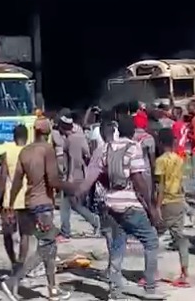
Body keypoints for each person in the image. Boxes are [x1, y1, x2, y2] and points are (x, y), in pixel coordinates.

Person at [66, 116, 165, 300]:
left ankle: (115, 290)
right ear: (133, 131)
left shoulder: (107, 148)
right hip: (130, 205)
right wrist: (150, 206)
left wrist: (79, 193)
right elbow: (138, 180)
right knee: (151, 241)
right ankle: (150, 288)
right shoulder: (134, 147)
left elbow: (95, 176)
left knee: (118, 245)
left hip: (111, 204)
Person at [1, 119, 69, 301]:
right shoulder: (47, 150)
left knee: (50, 247)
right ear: (47, 134)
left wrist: (10, 204)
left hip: (29, 203)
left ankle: (52, 289)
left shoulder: (25, 151)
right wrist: (70, 187)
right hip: (43, 205)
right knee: (46, 247)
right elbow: (53, 180)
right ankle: (13, 281)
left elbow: (16, 181)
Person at [0, 125, 33, 272]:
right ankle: (21, 265)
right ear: (26, 137)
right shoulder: (30, 152)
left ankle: (13, 262)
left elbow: (3, 178)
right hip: (26, 199)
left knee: (7, 234)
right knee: (25, 234)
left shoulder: (7, 153)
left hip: (9, 201)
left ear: (13, 137)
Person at [154, 128, 190, 286]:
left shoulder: (160, 161)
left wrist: (156, 206)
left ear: (160, 142)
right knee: (179, 237)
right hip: (178, 200)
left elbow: (160, 186)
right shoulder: (180, 159)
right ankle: (185, 272)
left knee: (153, 237)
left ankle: (152, 271)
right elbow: (181, 182)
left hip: (166, 202)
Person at [59, 116, 100, 239]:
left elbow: (72, 159)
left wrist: (70, 176)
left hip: (72, 176)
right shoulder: (80, 137)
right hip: (81, 175)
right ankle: (67, 229)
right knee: (71, 204)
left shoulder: (70, 140)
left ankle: (92, 221)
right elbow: (87, 154)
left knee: (68, 204)